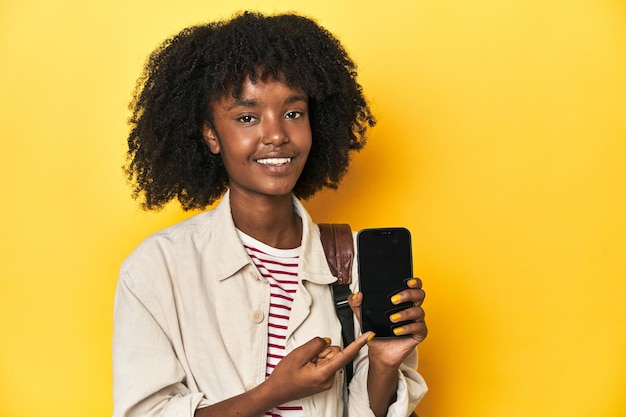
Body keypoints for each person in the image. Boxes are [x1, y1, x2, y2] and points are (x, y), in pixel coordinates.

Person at [113, 11, 427, 417]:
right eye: (247, 117)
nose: (277, 135)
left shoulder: (351, 260)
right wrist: (272, 392)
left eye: (293, 113)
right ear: (211, 134)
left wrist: (384, 364)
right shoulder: (158, 268)